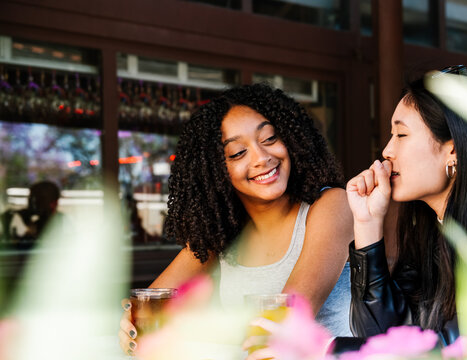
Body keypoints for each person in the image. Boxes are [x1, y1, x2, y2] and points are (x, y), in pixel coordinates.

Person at [119, 83, 354, 355]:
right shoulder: (223, 234)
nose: (262, 158)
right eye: (238, 153)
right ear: (217, 172)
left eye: (269, 138)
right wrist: (130, 326)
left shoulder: (331, 205)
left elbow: (284, 324)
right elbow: (153, 302)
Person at [346, 66, 467, 346]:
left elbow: (463, 348)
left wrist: (319, 349)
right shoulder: (432, 234)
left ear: (454, 151)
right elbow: (381, 339)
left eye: (401, 135)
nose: (387, 151)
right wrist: (366, 223)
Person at [1, 180, 63, 249]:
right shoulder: (39, 222)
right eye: (31, 199)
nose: (33, 204)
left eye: (39, 200)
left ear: (54, 203)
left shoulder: (61, 223)